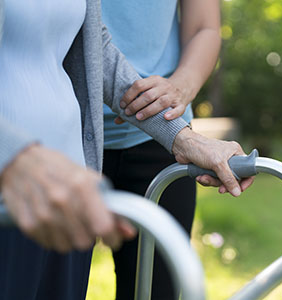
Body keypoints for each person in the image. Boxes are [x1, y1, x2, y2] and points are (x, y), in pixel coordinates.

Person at [0, 1, 253, 300]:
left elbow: (96, 51)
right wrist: (16, 156)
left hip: (74, 171)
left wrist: (181, 137)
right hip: (19, 183)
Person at [100, 1, 221, 299]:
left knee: (157, 291)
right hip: (61, 135)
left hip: (162, 138)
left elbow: (205, 27)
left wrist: (179, 88)